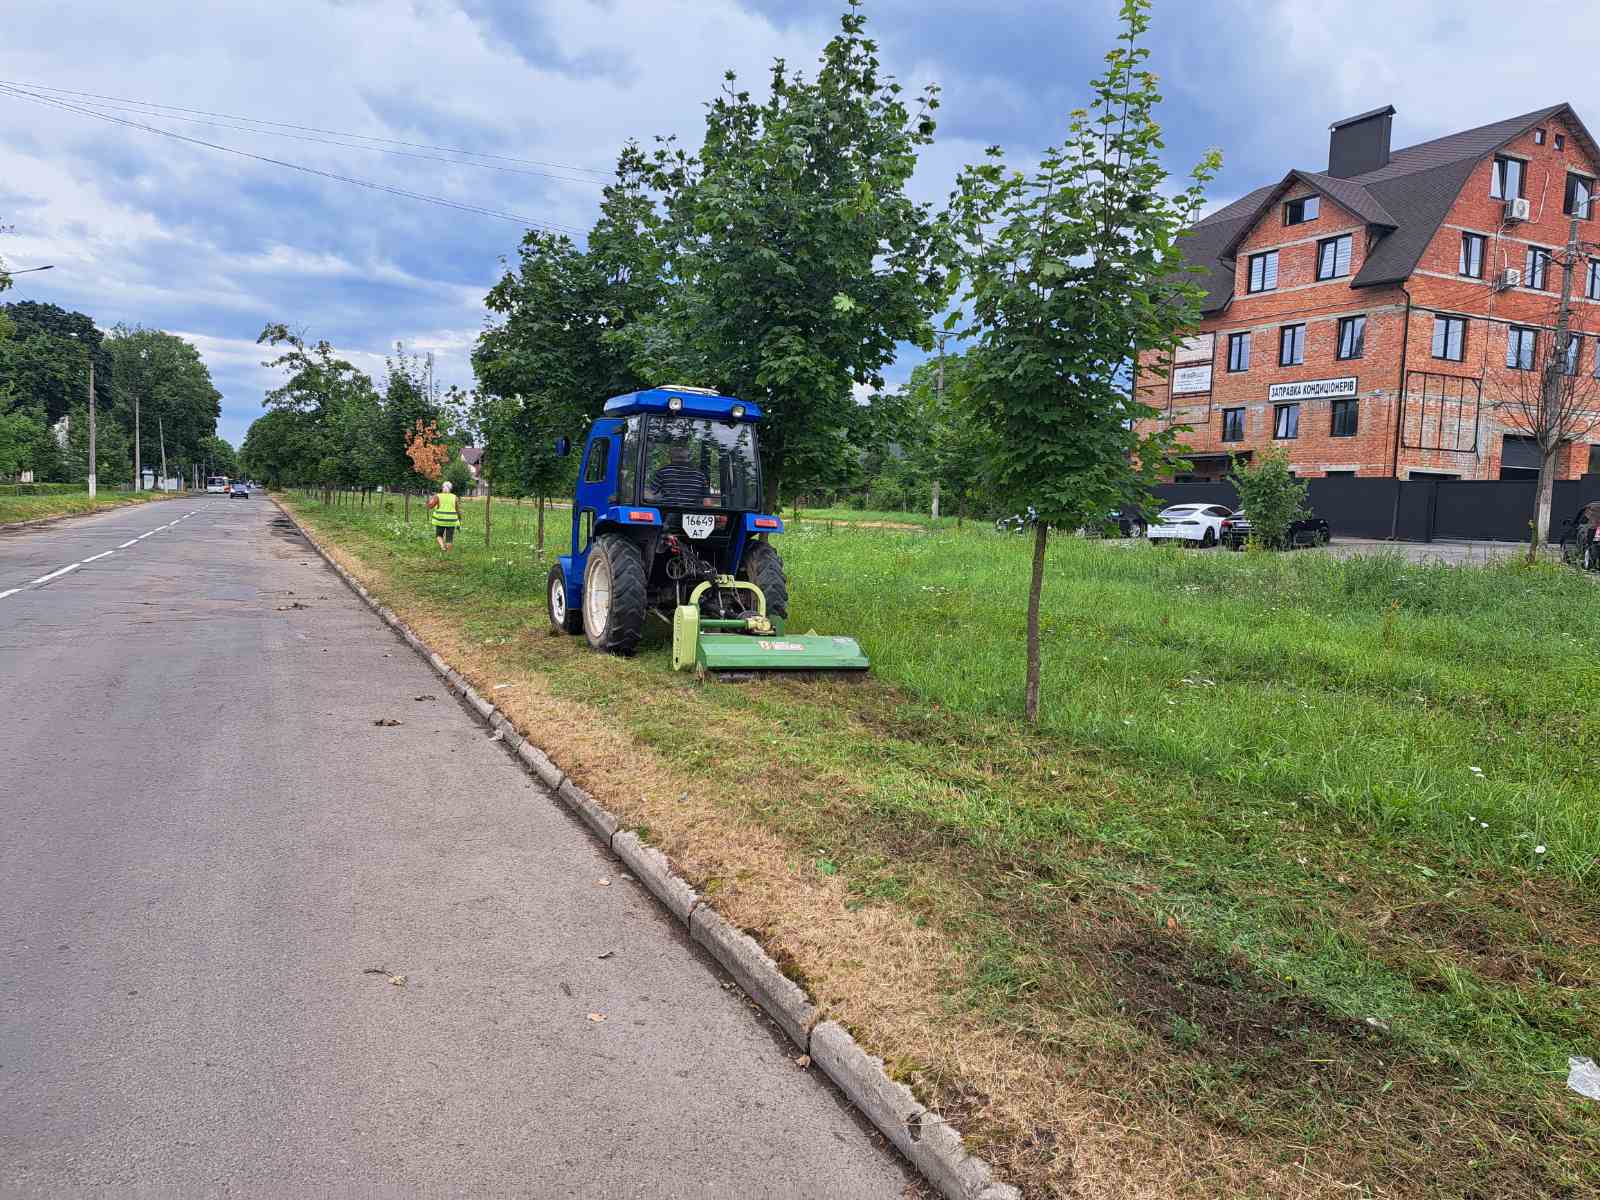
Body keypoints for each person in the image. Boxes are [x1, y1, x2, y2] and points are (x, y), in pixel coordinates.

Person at [646, 441, 712, 507]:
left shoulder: (663, 472)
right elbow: (707, 503)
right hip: (693, 511)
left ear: (671, 455)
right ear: (689, 456)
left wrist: (654, 500)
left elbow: (649, 497)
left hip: (666, 511)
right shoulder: (700, 475)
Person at [427, 479, 460, 551]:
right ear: (451, 489)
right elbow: (457, 510)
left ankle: (442, 546)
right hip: (451, 520)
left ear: (442, 487)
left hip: (440, 520)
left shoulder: (437, 496)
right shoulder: (455, 497)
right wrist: (459, 519)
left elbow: (430, 506)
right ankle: (448, 553)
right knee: (449, 538)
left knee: (439, 535)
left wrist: (429, 501)